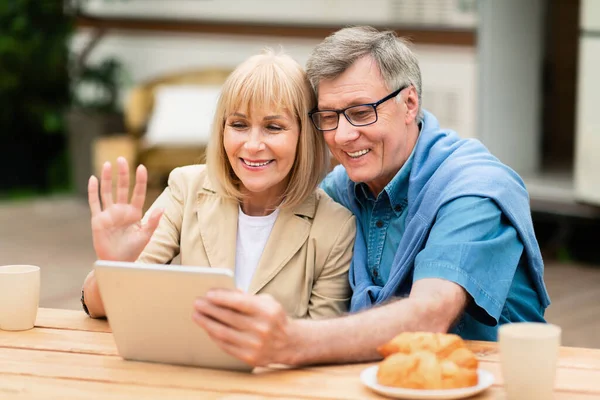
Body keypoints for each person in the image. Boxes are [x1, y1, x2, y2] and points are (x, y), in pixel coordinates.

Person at [191, 26, 551, 367]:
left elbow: (431, 313)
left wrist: (294, 340)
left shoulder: (475, 188)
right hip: (377, 381)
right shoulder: (338, 191)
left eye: (362, 113)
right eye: (329, 117)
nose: (343, 135)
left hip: (493, 383)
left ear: (410, 103)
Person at [81, 50, 356, 321]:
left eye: (273, 127)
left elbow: (319, 343)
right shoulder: (186, 188)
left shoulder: (335, 227)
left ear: (304, 136)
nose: (252, 145)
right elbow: (99, 308)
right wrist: (114, 267)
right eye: (239, 124)